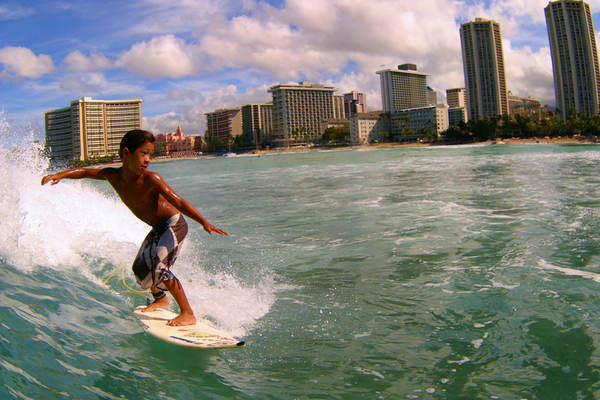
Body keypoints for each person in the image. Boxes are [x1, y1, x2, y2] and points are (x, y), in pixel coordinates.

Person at [41, 129, 228, 326]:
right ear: (126, 153)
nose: (148, 159)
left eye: (150, 154)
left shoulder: (151, 179)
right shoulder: (113, 176)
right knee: (140, 271)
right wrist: (60, 174)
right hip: (158, 228)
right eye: (143, 153)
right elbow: (86, 171)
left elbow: (178, 202)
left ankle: (187, 313)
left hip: (174, 224)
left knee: (160, 268)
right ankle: (160, 299)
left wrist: (203, 222)